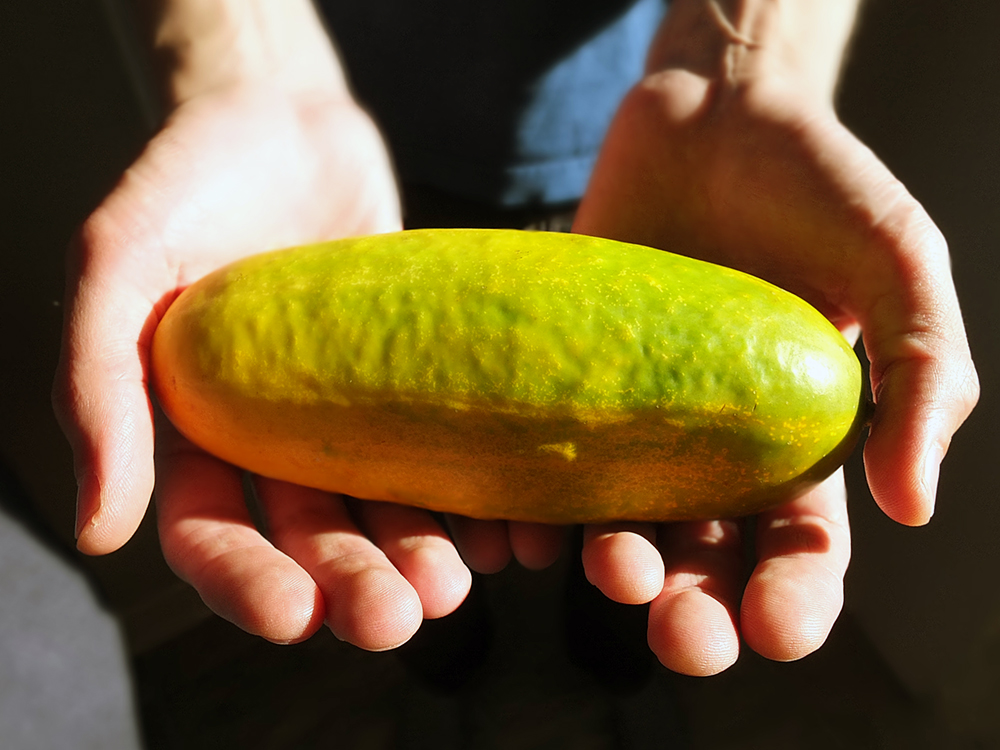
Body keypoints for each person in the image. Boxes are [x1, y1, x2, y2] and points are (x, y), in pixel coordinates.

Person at [52, 0, 978, 679]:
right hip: (329, 145)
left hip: (655, 144)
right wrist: (238, 55)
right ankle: (452, 673)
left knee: (638, 572)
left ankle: (605, 667)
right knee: (415, 576)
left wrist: (744, 51)